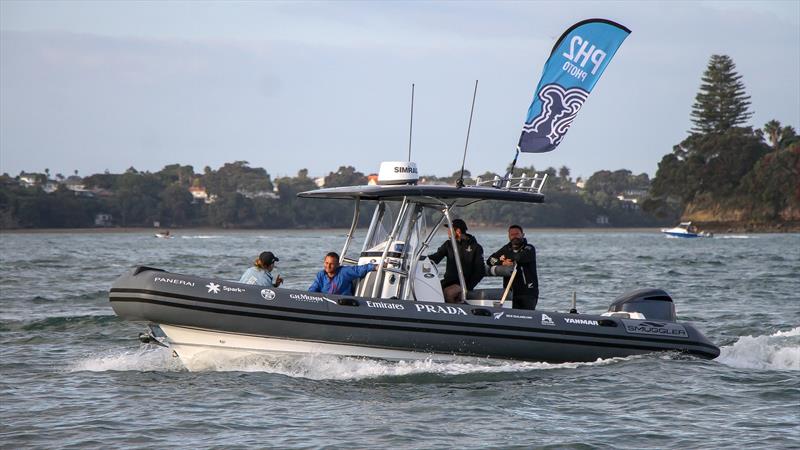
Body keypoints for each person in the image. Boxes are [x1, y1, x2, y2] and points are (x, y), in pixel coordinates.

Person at [427, 218, 485, 303]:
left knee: (449, 293)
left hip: (463, 283)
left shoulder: (476, 247)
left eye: (450, 229)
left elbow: (480, 271)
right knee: (429, 290)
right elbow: (436, 257)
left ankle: (454, 314)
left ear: (458, 231)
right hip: (448, 282)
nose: (448, 232)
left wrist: (467, 287)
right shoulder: (448, 244)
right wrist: (420, 258)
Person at [486, 224, 538, 310]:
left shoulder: (529, 248)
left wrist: (506, 258)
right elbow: (490, 260)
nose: (515, 237)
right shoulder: (506, 249)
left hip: (528, 292)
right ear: (508, 236)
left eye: (517, 234)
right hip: (510, 292)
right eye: (512, 235)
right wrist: (502, 262)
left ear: (523, 234)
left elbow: (519, 257)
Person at [309, 251, 376, 296]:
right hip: (325, 304)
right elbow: (313, 288)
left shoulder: (344, 272)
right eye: (326, 263)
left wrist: (374, 266)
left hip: (343, 304)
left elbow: (359, 270)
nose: (328, 266)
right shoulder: (321, 275)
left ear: (338, 265)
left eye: (331, 264)